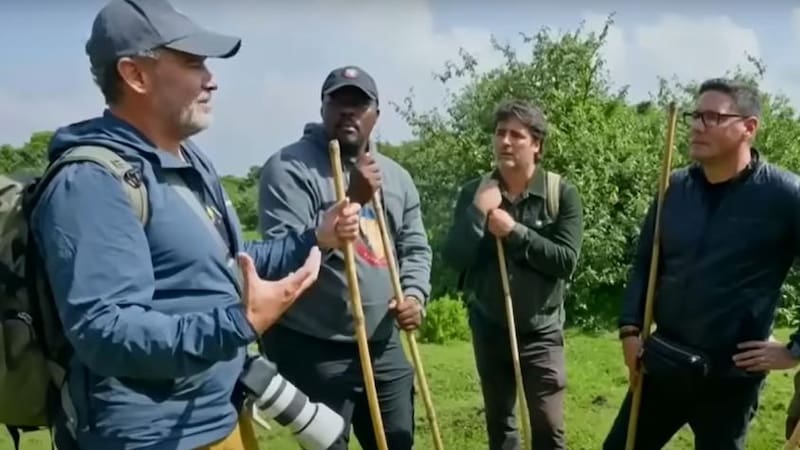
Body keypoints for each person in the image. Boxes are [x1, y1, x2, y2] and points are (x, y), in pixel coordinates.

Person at [29, 1, 361, 449]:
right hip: (150, 437)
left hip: (219, 416)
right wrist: (239, 323)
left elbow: (226, 261)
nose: (212, 78)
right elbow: (104, 331)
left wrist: (315, 238)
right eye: (192, 62)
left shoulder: (190, 160)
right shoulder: (89, 182)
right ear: (136, 75)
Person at [603, 78, 800, 450]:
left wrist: (794, 350)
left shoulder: (786, 197)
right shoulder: (675, 186)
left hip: (730, 380)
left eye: (712, 117)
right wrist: (630, 330)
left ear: (749, 128)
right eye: (695, 115)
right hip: (662, 363)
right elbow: (645, 261)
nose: (696, 125)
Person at [256, 65, 432, 450]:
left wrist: (415, 296)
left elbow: (416, 248)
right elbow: (283, 257)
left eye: (359, 104)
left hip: (382, 342)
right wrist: (352, 199)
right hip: (316, 346)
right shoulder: (288, 169)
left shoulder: (397, 177)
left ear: (376, 116)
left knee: (396, 443)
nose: (348, 112)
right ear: (323, 108)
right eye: (339, 102)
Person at [441, 99, 583, 450]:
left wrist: (515, 232)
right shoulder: (474, 192)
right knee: (501, 426)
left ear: (536, 145)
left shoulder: (560, 194)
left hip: (541, 331)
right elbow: (454, 257)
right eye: (500, 133)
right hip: (490, 326)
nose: (505, 141)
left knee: (548, 427)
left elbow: (565, 261)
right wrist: (478, 212)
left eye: (516, 135)